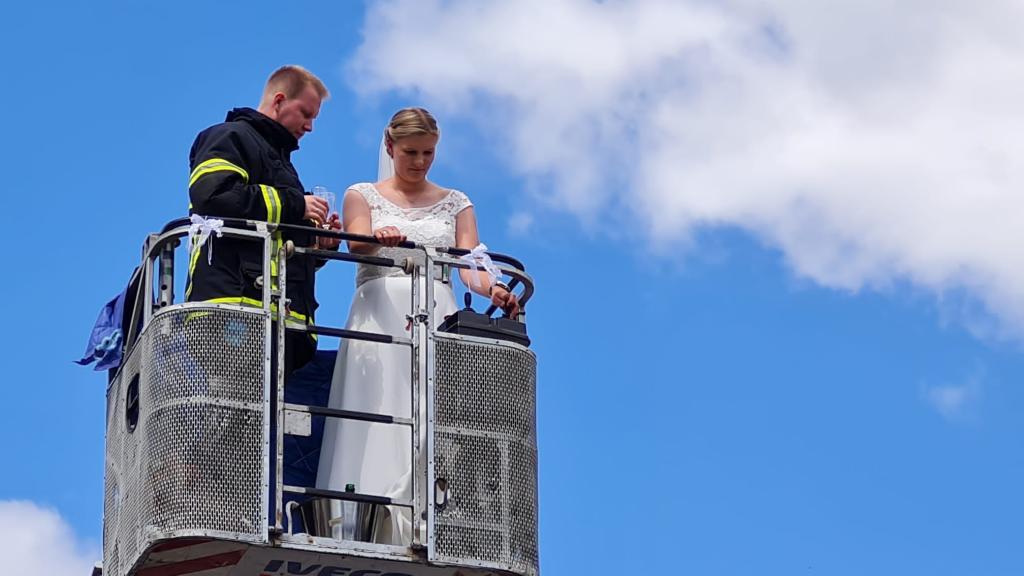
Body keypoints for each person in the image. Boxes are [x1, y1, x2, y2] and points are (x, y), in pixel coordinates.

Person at [316, 107, 519, 546]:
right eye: (411, 152)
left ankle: (426, 520)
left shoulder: (457, 202)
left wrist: (495, 289)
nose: (420, 162)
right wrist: (377, 239)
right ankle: (365, 521)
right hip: (379, 312)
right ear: (390, 147)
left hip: (436, 309)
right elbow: (356, 244)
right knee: (375, 412)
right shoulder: (361, 194)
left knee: (429, 410)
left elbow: (470, 264)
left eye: (428, 153)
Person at [186, 65, 341, 374]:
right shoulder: (229, 137)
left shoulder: (280, 162)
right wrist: (297, 204)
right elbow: (214, 196)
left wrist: (318, 244)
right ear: (279, 100)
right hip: (232, 310)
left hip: (278, 322)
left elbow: (274, 237)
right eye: (305, 114)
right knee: (231, 402)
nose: (309, 127)